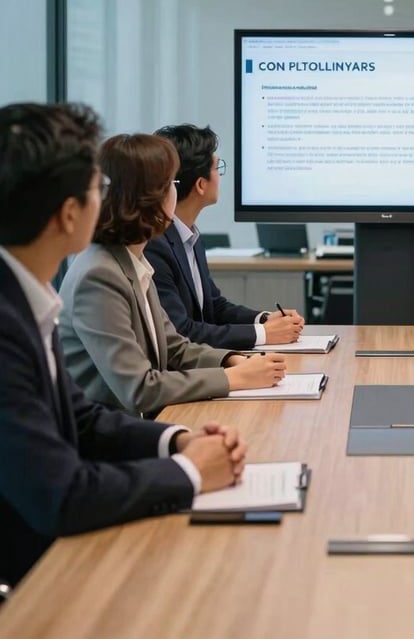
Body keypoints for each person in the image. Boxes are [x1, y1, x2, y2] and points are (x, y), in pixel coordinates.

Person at [0, 102, 247, 586]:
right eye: (98, 188)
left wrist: (177, 440)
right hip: (39, 574)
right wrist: (191, 473)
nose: (108, 199)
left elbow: (82, 419)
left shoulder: (28, 299)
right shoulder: (11, 323)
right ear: (70, 215)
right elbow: (62, 495)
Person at [59, 133, 288, 417]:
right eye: (170, 184)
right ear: (149, 198)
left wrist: (233, 361)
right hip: (109, 442)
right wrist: (235, 379)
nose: (174, 193)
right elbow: (140, 389)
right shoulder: (99, 276)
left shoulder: (131, 260)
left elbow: (174, 347)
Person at [144, 124, 304, 351]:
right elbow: (182, 331)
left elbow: (214, 307)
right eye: (217, 168)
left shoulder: (190, 237)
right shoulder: (154, 245)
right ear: (200, 185)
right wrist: (263, 334)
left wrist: (265, 319)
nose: (220, 176)